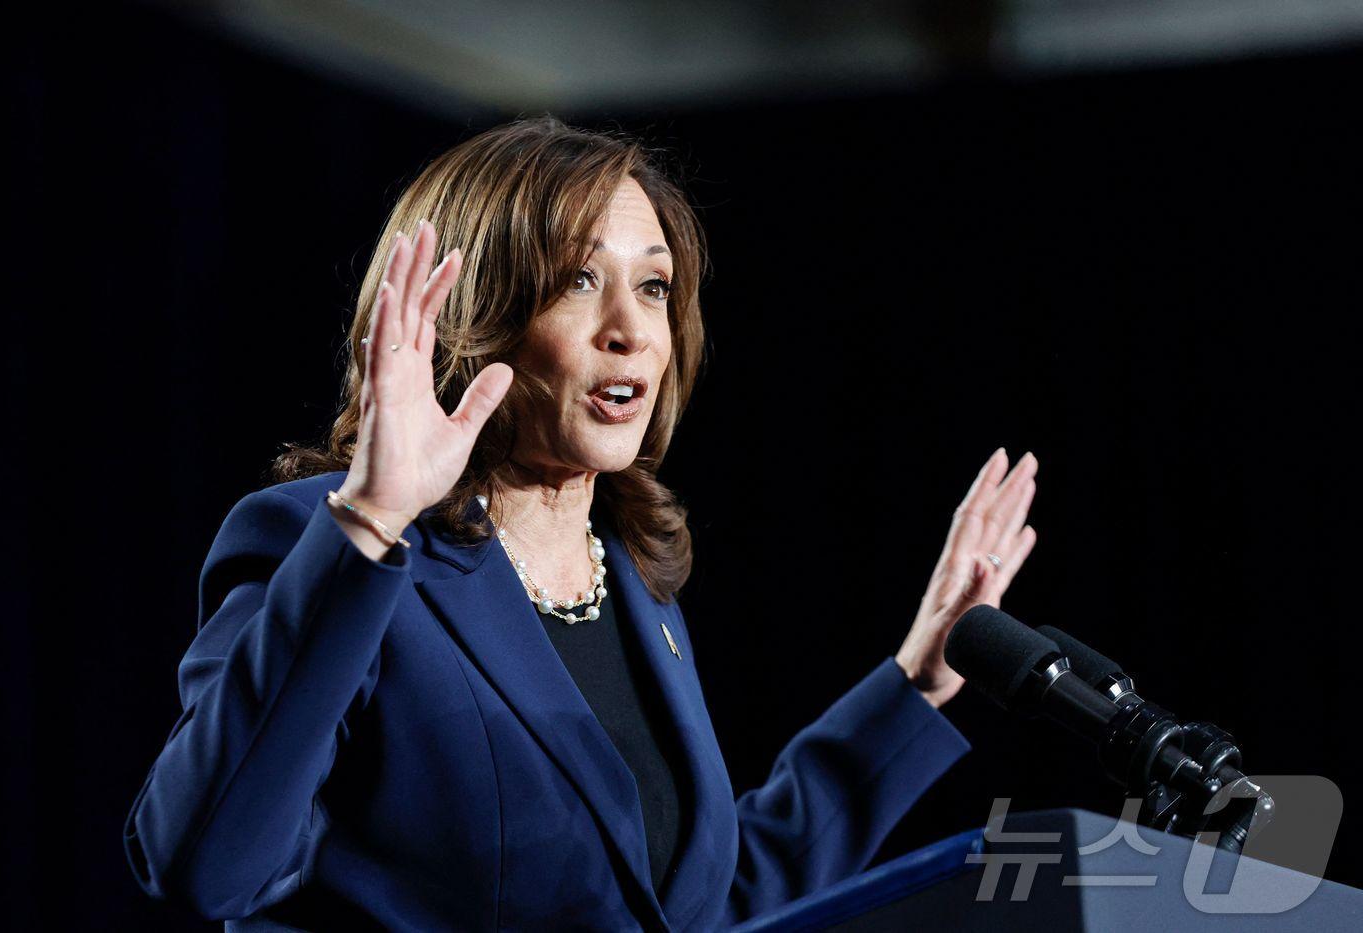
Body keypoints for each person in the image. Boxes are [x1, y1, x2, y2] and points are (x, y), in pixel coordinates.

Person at [123, 115, 1038, 931]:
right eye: (578, 281)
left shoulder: (636, 585)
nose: (629, 328)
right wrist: (367, 521)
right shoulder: (322, 546)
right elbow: (204, 866)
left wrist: (916, 683)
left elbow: (701, 905)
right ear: (475, 314)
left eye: (652, 287)